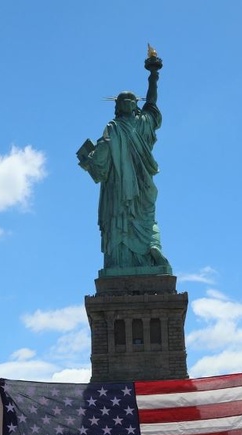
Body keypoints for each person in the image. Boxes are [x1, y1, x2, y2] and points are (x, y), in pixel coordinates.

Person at [78, 45, 171, 275]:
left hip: (120, 191)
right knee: (147, 220)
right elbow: (152, 105)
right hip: (141, 187)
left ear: (117, 108)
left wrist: (87, 159)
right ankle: (151, 248)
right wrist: (153, 76)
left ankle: (120, 262)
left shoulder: (114, 128)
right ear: (134, 106)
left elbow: (100, 159)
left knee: (121, 219)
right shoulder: (143, 124)